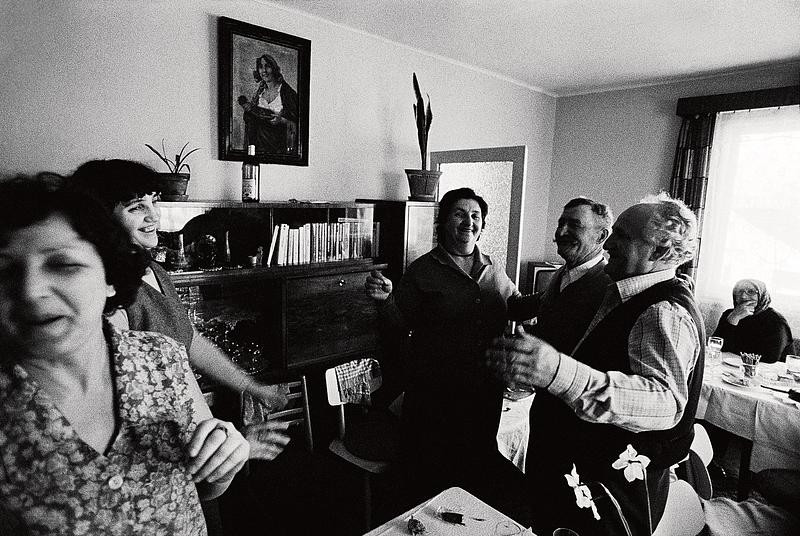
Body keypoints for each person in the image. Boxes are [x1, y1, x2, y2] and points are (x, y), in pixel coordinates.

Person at [0, 178, 250, 534]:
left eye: (63, 265)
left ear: (110, 278)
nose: (30, 290)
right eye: (5, 270)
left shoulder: (161, 358)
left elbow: (204, 484)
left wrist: (225, 458)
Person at [487, 192, 705, 536]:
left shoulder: (662, 311)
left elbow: (665, 403)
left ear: (660, 251)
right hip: (574, 473)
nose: (609, 244)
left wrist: (556, 372)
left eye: (622, 236)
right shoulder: (623, 292)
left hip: (605, 494)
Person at [69, 159, 287, 414]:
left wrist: (249, 386)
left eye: (154, 201)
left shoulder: (155, 271)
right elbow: (127, 396)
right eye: (137, 207)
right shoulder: (108, 293)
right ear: (101, 219)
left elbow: (190, 340)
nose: (154, 215)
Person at [364, 187, 528, 518]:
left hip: (483, 389)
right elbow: (399, 326)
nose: (469, 221)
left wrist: (544, 305)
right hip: (435, 391)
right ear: (443, 222)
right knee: (431, 469)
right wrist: (386, 301)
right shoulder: (422, 270)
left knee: (476, 464)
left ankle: (469, 523)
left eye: (475, 215)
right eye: (459, 214)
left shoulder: (492, 267)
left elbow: (515, 304)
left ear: (482, 224)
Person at [509, 196, 613, 353]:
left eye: (574, 225)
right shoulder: (564, 273)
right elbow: (538, 305)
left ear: (601, 236)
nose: (561, 232)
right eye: (561, 224)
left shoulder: (608, 287)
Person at [712, 278, 792, 363]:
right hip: (730, 365)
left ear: (761, 295)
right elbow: (715, 345)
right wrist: (733, 319)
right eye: (739, 291)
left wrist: (734, 349)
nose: (743, 296)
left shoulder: (775, 321)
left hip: (765, 369)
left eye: (751, 291)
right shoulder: (730, 314)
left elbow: (770, 358)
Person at [238, 53, 299, 154]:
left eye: (267, 66)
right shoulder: (259, 94)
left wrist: (282, 120)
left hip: (280, 148)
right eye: (261, 67)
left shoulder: (287, 93)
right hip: (259, 148)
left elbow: (298, 123)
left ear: (274, 68)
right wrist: (249, 110)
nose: (264, 71)